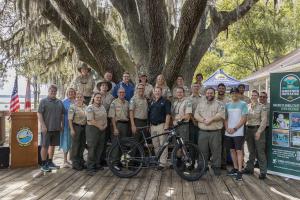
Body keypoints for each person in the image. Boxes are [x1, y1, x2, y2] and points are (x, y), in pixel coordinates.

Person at [194, 87, 225, 176]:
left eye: (211, 93)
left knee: (216, 151)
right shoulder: (200, 104)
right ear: (205, 94)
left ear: (214, 94)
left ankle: (216, 167)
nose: (209, 95)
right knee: (202, 151)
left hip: (215, 132)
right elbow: (196, 114)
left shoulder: (219, 104)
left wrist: (211, 120)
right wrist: (203, 120)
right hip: (203, 131)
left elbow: (221, 114)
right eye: (208, 93)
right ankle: (202, 167)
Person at [38, 85, 64, 172]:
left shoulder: (59, 102)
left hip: (56, 128)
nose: (53, 92)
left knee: (52, 146)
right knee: (45, 146)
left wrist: (61, 124)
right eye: (51, 91)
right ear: (48, 91)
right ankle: (43, 164)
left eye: (54, 91)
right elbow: (39, 114)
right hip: (47, 128)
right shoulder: (43, 101)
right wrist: (43, 125)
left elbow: (62, 114)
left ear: (56, 92)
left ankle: (50, 162)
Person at [242, 90, 268, 179]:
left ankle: (263, 171)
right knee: (250, 151)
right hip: (248, 130)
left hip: (257, 130)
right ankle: (249, 168)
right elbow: (244, 118)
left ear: (258, 96)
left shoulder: (262, 107)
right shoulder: (247, 106)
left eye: (255, 95)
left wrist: (259, 132)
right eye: (252, 95)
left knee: (260, 151)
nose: (253, 96)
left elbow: (264, 121)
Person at [225, 88, 248, 181]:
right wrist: (227, 128)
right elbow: (225, 118)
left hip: (238, 131)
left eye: (236, 93)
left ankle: (239, 171)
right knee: (231, 150)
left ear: (239, 94)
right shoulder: (227, 105)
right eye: (232, 93)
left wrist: (235, 128)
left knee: (239, 151)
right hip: (228, 131)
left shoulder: (243, 104)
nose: (234, 94)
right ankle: (234, 168)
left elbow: (244, 118)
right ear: (230, 94)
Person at [149, 86, 171, 170]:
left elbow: (168, 114)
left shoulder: (166, 101)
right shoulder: (152, 102)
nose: (157, 92)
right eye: (155, 91)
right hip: (153, 126)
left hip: (162, 125)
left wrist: (166, 125)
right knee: (156, 145)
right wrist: (150, 125)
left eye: (158, 91)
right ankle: (158, 161)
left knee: (163, 145)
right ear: (153, 93)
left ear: (161, 92)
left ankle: (162, 164)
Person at [85, 92, 107, 175]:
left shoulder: (102, 107)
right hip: (93, 129)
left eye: (100, 98)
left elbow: (105, 117)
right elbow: (90, 120)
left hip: (102, 129)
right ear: (93, 98)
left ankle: (97, 164)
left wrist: (105, 125)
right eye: (97, 97)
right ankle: (90, 167)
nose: (98, 99)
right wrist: (100, 126)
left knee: (100, 147)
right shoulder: (90, 107)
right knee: (92, 148)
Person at [109, 87, 130, 170]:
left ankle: (121, 162)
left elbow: (128, 114)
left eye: (123, 92)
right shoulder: (114, 103)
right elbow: (112, 117)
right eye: (120, 92)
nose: (122, 94)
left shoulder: (127, 103)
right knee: (116, 144)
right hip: (117, 125)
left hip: (125, 125)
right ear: (117, 93)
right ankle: (114, 163)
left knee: (123, 144)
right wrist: (115, 128)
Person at [95, 80, 114, 166]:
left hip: (107, 120)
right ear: (100, 87)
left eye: (106, 86)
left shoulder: (111, 97)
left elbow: (112, 109)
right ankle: (96, 160)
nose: (104, 87)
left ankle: (102, 159)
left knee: (104, 141)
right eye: (102, 85)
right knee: (97, 141)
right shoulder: (95, 95)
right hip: (97, 120)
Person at [68, 92, 87, 170]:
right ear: (75, 98)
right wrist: (72, 129)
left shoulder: (86, 107)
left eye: (80, 97)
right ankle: (75, 163)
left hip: (84, 127)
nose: (79, 98)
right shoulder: (72, 107)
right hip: (76, 127)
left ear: (83, 98)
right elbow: (70, 119)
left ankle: (80, 161)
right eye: (77, 97)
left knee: (82, 144)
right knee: (76, 145)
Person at [60, 87, 76, 168]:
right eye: (69, 92)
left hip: (75, 124)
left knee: (73, 142)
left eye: (72, 92)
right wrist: (61, 125)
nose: (71, 93)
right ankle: (65, 161)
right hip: (66, 124)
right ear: (67, 93)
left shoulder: (77, 101)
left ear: (74, 93)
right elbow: (61, 114)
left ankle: (71, 159)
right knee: (66, 142)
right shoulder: (63, 102)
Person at [216, 83, 230, 169]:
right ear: (217, 90)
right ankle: (216, 162)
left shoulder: (228, 100)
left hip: (225, 125)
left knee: (224, 145)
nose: (221, 90)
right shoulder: (213, 99)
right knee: (216, 145)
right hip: (216, 125)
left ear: (225, 90)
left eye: (222, 88)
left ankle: (223, 163)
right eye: (219, 88)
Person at [259, 91, 270, 158]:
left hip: (266, 129)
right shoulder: (256, 105)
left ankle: (265, 161)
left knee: (265, 145)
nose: (262, 98)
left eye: (264, 97)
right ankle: (258, 161)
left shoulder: (269, 106)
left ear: (267, 98)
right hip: (257, 128)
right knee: (258, 146)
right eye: (261, 96)